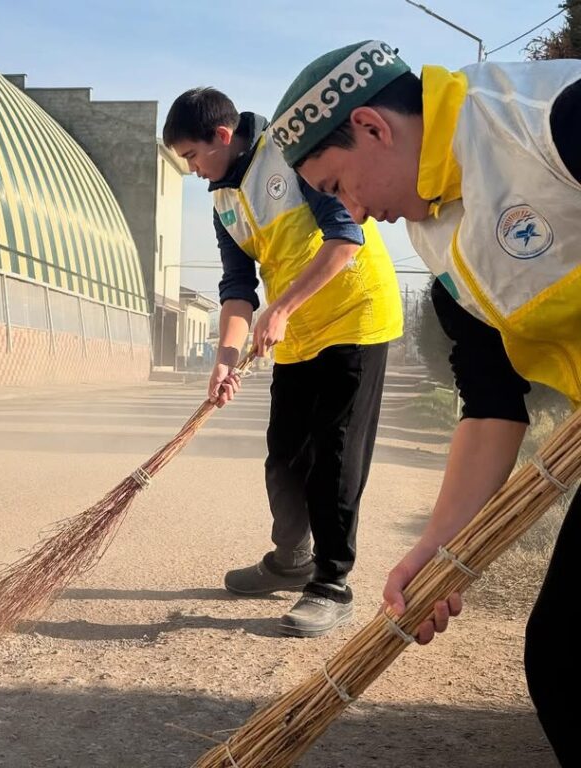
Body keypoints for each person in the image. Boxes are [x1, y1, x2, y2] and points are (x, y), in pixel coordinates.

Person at [270, 40, 581, 762]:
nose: (349, 212)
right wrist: (437, 547)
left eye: (337, 185)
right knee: (564, 658)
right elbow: (491, 404)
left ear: (373, 127)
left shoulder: (543, 119)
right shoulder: (440, 245)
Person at [162, 88, 402, 637]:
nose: (193, 171)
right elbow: (237, 288)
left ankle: (332, 583)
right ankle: (291, 559)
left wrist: (283, 308)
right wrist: (224, 360)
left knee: (335, 457)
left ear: (222, 136)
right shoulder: (223, 201)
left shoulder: (292, 153)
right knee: (285, 457)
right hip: (296, 335)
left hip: (355, 319)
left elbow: (346, 237)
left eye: (193, 156)